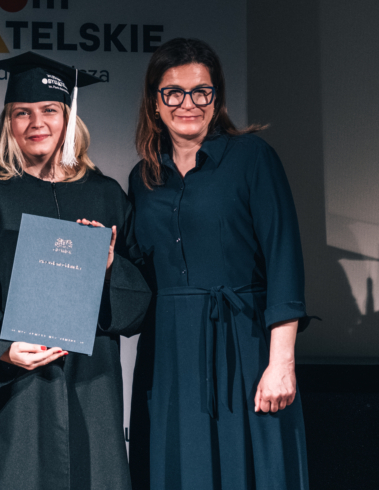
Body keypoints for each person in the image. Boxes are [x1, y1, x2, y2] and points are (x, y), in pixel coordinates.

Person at [0, 52, 152, 490]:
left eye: (49, 111)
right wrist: (1, 351)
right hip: (13, 389)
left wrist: (110, 266)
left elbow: (139, 303)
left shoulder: (106, 196)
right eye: (22, 112)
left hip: (89, 383)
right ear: (8, 122)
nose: (36, 123)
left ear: (68, 118)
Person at [126, 38, 311, 490]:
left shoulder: (252, 158)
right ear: (155, 102)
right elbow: (139, 275)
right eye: (174, 92)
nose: (188, 104)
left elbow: (284, 258)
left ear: (216, 97)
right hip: (168, 357)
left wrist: (281, 363)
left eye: (201, 91)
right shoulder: (143, 177)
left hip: (243, 347)